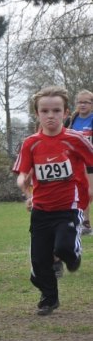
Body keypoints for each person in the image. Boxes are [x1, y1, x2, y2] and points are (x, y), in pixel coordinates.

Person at [14, 86, 93, 316]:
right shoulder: (31, 143)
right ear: (37, 114)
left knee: (64, 247)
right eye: (45, 111)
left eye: (56, 110)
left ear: (66, 113)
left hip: (69, 206)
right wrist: (24, 185)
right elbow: (22, 174)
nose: (51, 115)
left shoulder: (75, 139)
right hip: (41, 208)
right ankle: (50, 298)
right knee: (39, 262)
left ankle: (72, 256)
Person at [64, 89, 93, 234]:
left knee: (90, 192)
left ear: (92, 104)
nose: (82, 105)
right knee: (84, 193)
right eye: (80, 102)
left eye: (86, 102)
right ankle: (85, 223)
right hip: (78, 163)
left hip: (91, 162)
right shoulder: (71, 120)